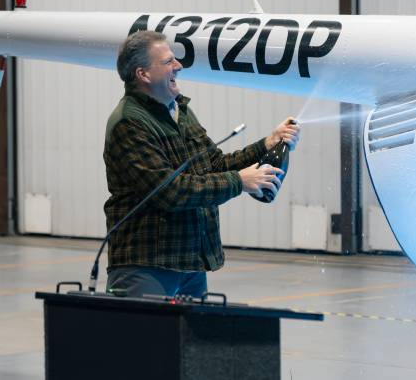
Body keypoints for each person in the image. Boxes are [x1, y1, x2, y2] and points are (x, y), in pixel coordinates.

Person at [103, 30, 300, 298]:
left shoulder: (180, 111)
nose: (178, 66)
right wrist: (239, 182)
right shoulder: (130, 123)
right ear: (143, 74)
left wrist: (266, 144)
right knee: (145, 339)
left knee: (190, 340)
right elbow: (170, 191)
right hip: (147, 265)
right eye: (168, 61)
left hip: (189, 263)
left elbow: (214, 164)